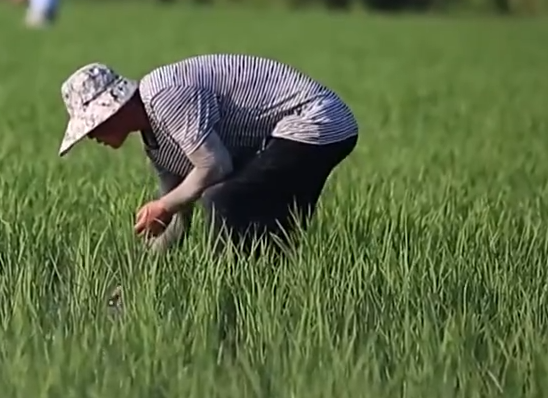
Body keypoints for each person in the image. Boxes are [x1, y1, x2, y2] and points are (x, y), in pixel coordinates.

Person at [56, 54, 359, 255]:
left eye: (93, 126)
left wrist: (163, 204)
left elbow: (215, 165)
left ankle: (229, 295)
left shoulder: (164, 98)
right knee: (270, 239)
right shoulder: (158, 145)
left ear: (115, 109)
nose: (92, 136)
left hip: (315, 122)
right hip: (291, 134)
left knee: (222, 198)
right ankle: (264, 300)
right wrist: (143, 272)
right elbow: (176, 216)